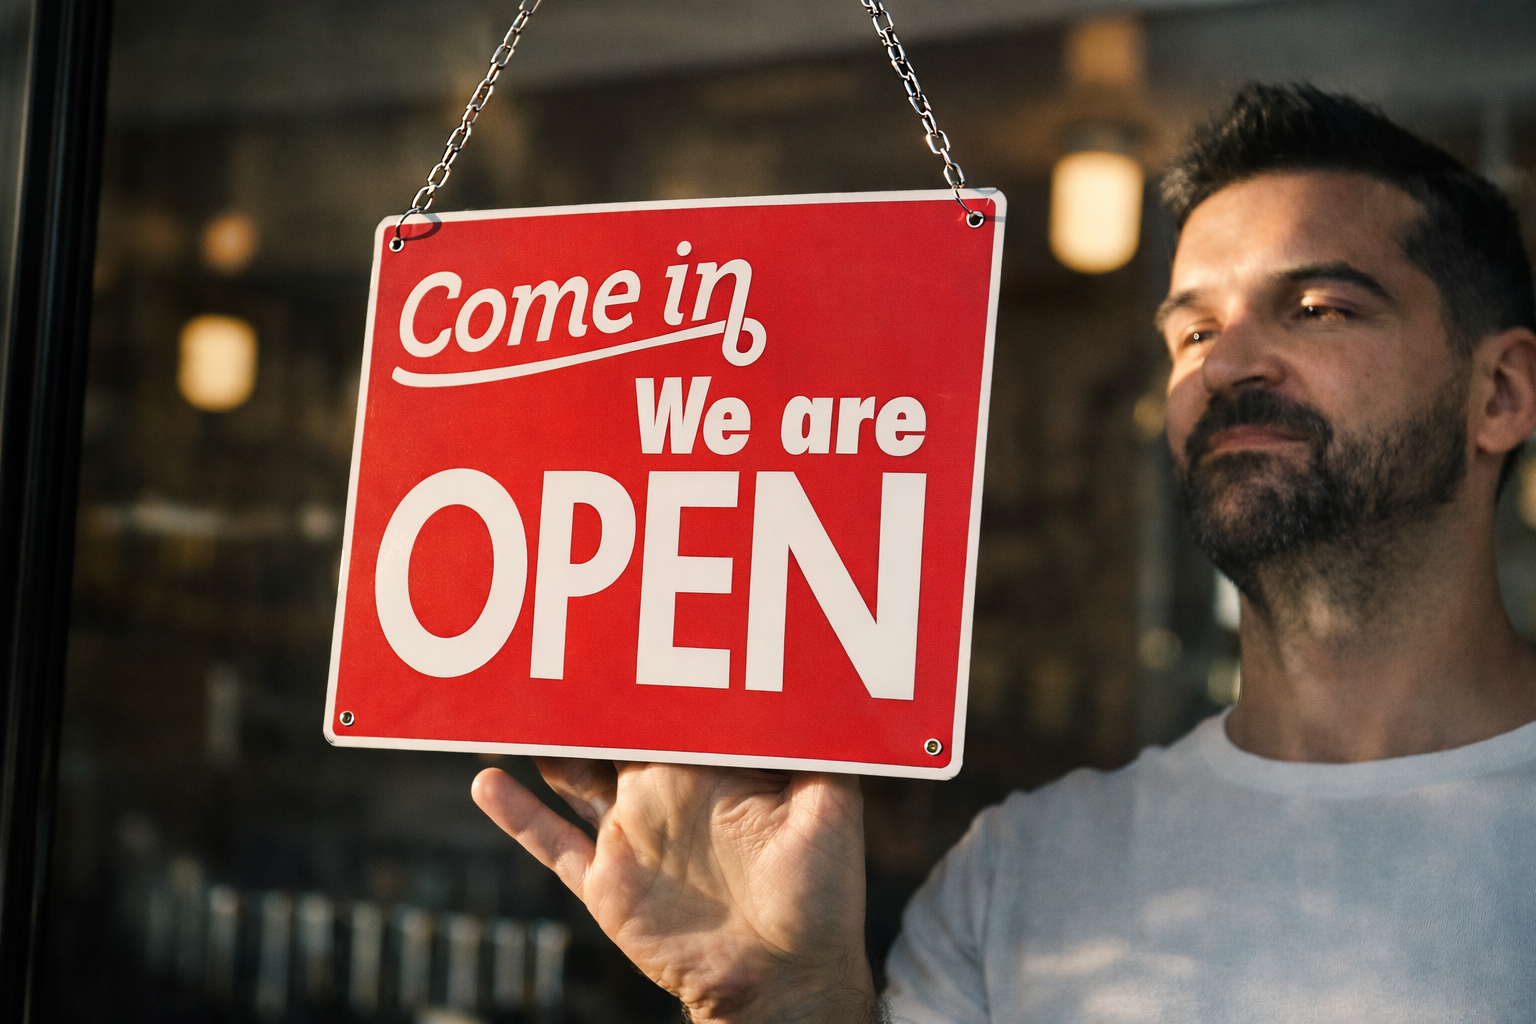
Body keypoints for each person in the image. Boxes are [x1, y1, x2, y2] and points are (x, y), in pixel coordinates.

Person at [470, 83, 1536, 1023]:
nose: (1230, 363)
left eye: (1318, 308)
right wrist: (788, 1003)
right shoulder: (1019, 873)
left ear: (1499, 394)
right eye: (1194, 331)